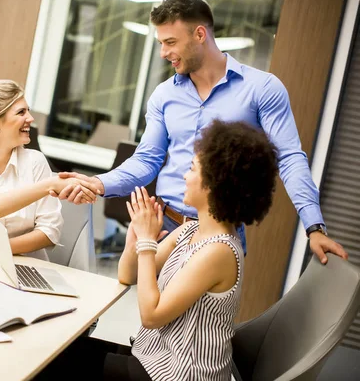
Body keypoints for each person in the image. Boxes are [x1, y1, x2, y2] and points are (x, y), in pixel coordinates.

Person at [52, 0, 347, 263]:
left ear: (200, 34)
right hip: (164, 228)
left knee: (202, 319)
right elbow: (147, 160)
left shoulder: (262, 89)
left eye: (170, 42)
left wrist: (314, 226)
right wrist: (99, 183)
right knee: (155, 318)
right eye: (160, 43)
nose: (163, 53)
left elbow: (290, 158)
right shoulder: (164, 96)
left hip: (219, 233)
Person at [37, 119, 279, 381]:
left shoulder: (219, 251)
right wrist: (135, 240)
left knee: (56, 362)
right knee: (57, 349)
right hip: (153, 358)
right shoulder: (189, 231)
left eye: (191, 169)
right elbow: (127, 276)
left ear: (214, 183)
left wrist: (146, 244)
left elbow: (151, 315)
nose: (184, 177)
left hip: (178, 374)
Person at [0, 79, 97, 259]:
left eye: (28, 111)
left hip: (29, 268)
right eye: (21, 112)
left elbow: (50, 232)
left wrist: (0, 247)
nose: (30, 118)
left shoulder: (35, 162)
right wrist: (49, 185)